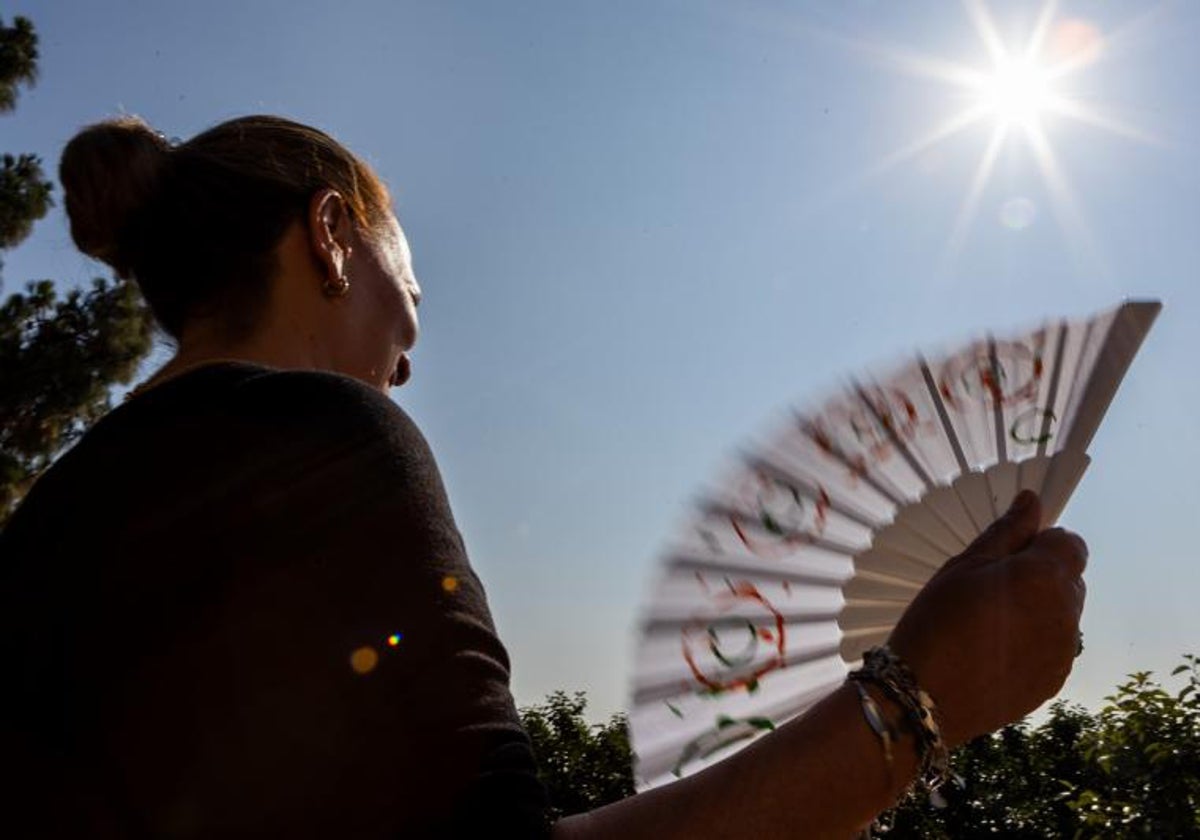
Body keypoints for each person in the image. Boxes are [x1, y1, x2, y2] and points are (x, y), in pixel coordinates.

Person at [0, 114, 1087, 839]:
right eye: (408, 291)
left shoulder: (48, 519)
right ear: (332, 238)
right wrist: (916, 701)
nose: (409, 359)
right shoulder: (317, 434)